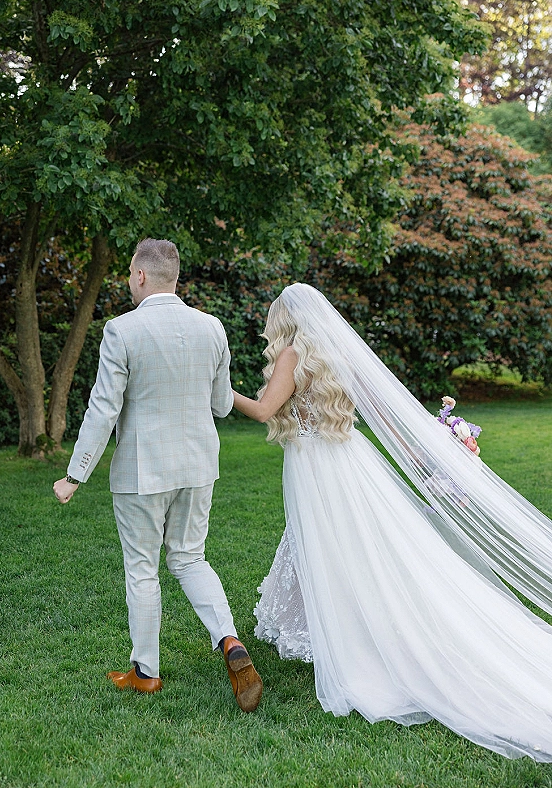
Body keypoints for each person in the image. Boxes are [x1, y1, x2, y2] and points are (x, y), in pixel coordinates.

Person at [233, 282, 552, 760]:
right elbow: (386, 414)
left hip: (317, 467)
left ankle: (355, 634)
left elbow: (263, 410)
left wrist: (216, 390)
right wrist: (437, 455)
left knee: (332, 547)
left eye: (272, 316)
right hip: (346, 460)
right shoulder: (333, 353)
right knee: (350, 546)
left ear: (286, 318)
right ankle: (316, 622)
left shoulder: (292, 356)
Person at [53, 238, 262, 713]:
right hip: (198, 465)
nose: (129, 280)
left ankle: (146, 673)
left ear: (142, 275)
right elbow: (220, 403)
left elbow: (103, 408)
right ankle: (230, 641)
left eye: (130, 273)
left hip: (142, 472)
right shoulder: (212, 328)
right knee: (190, 559)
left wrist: (74, 475)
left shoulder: (121, 331)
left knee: (143, 569)